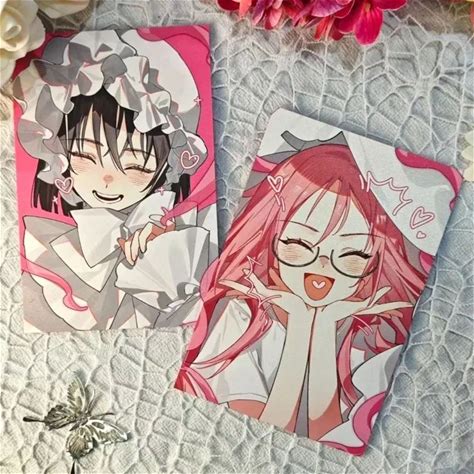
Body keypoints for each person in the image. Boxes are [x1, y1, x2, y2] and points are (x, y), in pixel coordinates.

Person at [13, 30, 216, 332]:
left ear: (168, 165)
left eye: (135, 165)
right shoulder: (45, 249)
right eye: (85, 156)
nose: (108, 179)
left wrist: (168, 260)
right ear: (58, 155)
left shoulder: (190, 244)